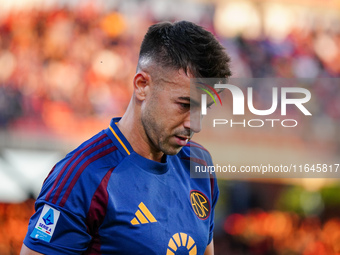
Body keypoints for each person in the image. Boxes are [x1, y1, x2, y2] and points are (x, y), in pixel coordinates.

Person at [20, 20, 232, 255]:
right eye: (184, 104)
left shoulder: (199, 164)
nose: (196, 124)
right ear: (142, 85)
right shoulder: (82, 176)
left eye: (204, 109)